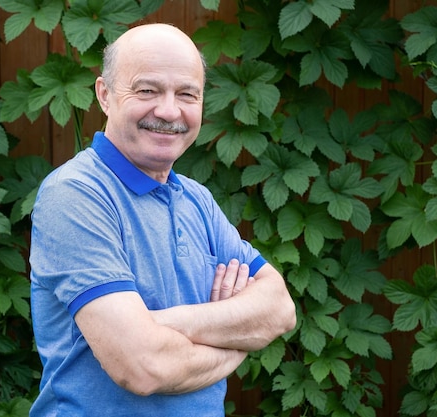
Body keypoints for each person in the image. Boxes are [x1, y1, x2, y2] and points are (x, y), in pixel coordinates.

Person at [29, 23, 296, 417]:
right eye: (147, 90)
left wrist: (162, 325)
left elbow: (279, 310)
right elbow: (142, 367)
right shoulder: (75, 195)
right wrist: (235, 341)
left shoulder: (197, 200)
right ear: (104, 95)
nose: (169, 111)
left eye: (187, 94)